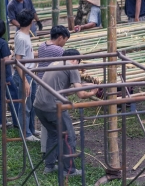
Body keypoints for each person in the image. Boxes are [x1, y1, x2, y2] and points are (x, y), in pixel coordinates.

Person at [34, 49, 98, 176]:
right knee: (69, 136)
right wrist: (91, 92)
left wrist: (82, 85)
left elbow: (63, 90)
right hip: (54, 108)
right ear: (75, 60)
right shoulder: (71, 66)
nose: (79, 67)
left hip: (39, 106)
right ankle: (69, 170)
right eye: (78, 63)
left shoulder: (55, 63)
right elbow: (81, 94)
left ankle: (49, 165)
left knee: (54, 134)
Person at [37, 25, 70, 155]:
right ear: (60, 37)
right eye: (65, 40)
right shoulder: (58, 51)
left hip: (40, 83)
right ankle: (53, 150)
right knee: (53, 120)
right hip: (52, 87)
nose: (64, 43)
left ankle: (44, 146)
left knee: (45, 120)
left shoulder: (41, 45)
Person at [13, 9, 39, 142]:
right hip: (25, 75)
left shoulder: (24, 34)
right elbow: (18, 61)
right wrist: (25, 81)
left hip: (30, 73)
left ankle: (31, 129)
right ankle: (26, 133)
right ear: (31, 21)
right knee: (25, 105)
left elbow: (26, 55)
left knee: (31, 103)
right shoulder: (22, 38)